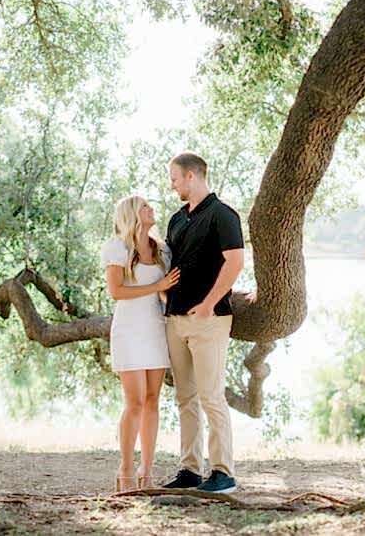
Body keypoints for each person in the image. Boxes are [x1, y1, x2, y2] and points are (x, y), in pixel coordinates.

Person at [161, 152, 244, 494]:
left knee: (211, 396)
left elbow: (236, 262)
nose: (172, 184)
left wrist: (209, 304)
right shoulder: (177, 220)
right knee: (186, 398)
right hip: (175, 320)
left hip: (209, 320)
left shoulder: (223, 215)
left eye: (175, 178)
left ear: (192, 176)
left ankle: (223, 473)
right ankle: (190, 470)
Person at [101, 195, 180, 492]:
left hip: (154, 329)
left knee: (152, 401)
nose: (151, 209)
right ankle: (125, 469)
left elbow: (164, 293)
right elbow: (116, 291)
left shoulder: (161, 250)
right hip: (129, 331)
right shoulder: (117, 247)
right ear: (133, 213)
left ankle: (147, 471)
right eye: (145, 206)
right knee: (134, 402)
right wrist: (157, 286)